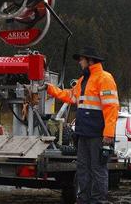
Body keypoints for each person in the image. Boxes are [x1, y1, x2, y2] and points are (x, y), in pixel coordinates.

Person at [45, 47, 119, 203]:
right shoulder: (82, 80)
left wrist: (108, 135)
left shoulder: (105, 78)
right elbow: (70, 96)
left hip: (98, 135)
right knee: (82, 170)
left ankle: (98, 201)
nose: (79, 62)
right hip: (82, 134)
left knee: (98, 170)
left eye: (81, 59)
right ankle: (83, 200)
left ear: (90, 60)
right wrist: (50, 89)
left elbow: (111, 108)